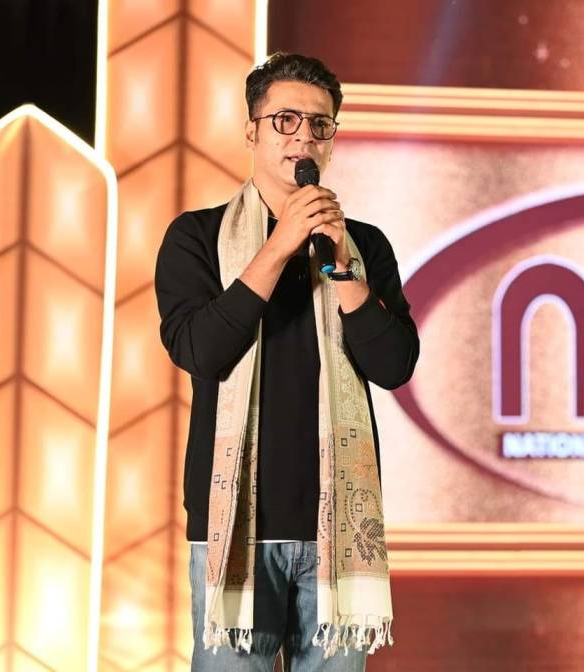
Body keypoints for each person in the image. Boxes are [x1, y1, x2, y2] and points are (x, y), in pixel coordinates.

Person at [154, 52, 419, 671]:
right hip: (233, 529)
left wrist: (343, 269)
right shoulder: (196, 237)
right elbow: (200, 351)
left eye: (320, 125)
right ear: (251, 131)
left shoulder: (363, 244)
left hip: (338, 534)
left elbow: (394, 365)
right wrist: (278, 247)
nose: (303, 137)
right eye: (285, 120)